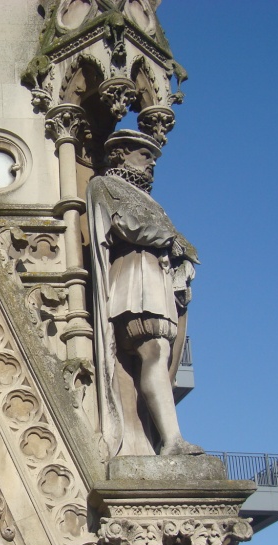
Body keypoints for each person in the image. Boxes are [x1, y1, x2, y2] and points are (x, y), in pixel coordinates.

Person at [86, 129, 202, 457]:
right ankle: (171, 440)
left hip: (155, 279)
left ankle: (165, 438)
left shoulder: (152, 201)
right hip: (133, 283)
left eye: (153, 156)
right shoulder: (105, 186)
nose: (151, 161)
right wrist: (169, 238)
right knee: (153, 351)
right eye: (143, 153)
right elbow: (125, 224)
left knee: (158, 353)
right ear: (121, 153)